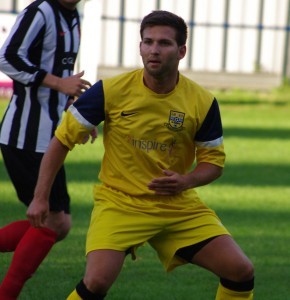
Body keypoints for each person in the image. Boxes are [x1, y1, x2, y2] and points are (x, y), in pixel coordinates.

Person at [27, 10, 255, 300]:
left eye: (164, 43)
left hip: (176, 206)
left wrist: (186, 181)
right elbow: (61, 141)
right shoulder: (110, 90)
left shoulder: (202, 101)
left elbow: (213, 163)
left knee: (240, 270)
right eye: (147, 42)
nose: (154, 50)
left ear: (181, 50)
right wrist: (40, 196)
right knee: (96, 282)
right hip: (120, 203)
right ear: (140, 47)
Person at [0, 0, 93, 299]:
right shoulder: (40, 11)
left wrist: (75, 111)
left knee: (60, 224)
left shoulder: (72, 15)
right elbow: (7, 58)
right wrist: (58, 84)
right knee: (52, 220)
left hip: (48, 136)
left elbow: (63, 77)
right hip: (25, 136)